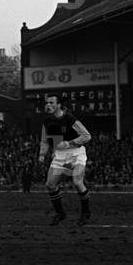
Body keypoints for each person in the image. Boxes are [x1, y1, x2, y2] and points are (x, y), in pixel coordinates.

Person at [38, 93, 92, 225]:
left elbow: (86, 136)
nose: (48, 105)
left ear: (59, 105)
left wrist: (69, 143)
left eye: (51, 103)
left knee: (77, 182)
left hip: (76, 153)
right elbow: (44, 140)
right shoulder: (47, 121)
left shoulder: (69, 118)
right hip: (60, 155)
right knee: (50, 184)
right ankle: (60, 214)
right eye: (47, 103)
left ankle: (85, 212)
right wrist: (42, 154)